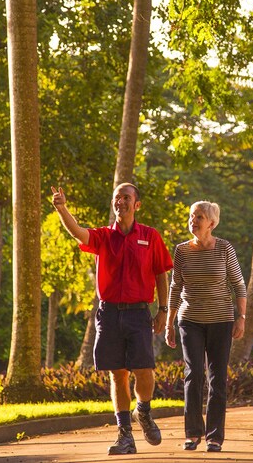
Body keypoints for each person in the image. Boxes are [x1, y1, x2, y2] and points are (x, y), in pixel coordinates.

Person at [51, 183, 173, 456]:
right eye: (117, 198)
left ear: (136, 205)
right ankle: (125, 435)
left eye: (126, 198)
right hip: (109, 314)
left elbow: (161, 273)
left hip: (139, 313)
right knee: (117, 374)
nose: (121, 202)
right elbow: (79, 234)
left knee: (144, 370)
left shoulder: (150, 236)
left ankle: (143, 411)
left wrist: (163, 310)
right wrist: (62, 208)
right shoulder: (104, 236)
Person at [164, 201, 247, 453]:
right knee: (193, 375)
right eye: (191, 216)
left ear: (211, 223)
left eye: (199, 216)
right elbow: (175, 287)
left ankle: (215, 437)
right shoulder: (181, 251)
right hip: (190, 320)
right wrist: (169, 322)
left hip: (221, 320)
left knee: (217, 378)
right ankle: (192, 433)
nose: (193, 220)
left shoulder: (224, 248)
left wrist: (241, 316)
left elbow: (239, 285)